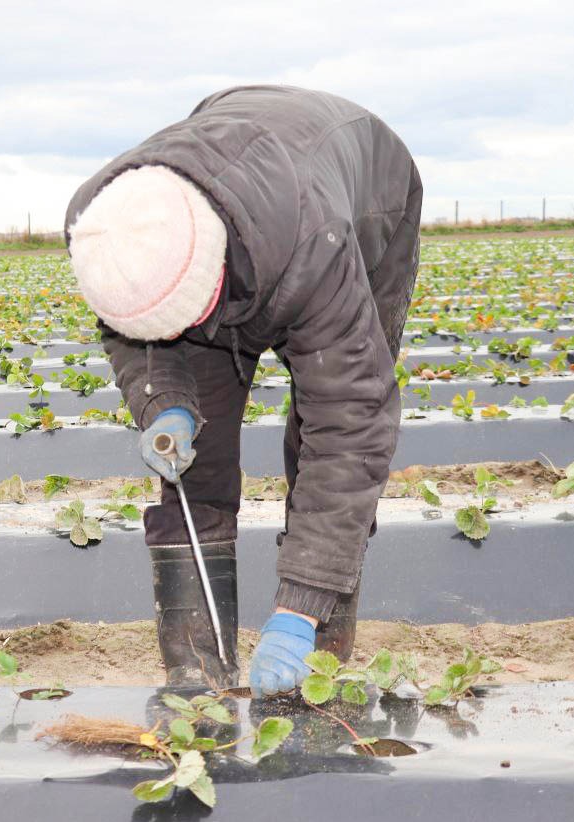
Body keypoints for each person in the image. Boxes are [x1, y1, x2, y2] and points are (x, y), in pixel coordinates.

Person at [65, 85, 422, 698]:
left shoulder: (318, 249)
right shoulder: (106, 223)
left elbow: (352, 427)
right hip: (242, 208)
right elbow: (127, 327)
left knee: (319, 445)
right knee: (194, 463)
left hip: (364, 208)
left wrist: (300, 604)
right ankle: (197, 673)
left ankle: (317, 654)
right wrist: (164, 401)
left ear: (213, 282)